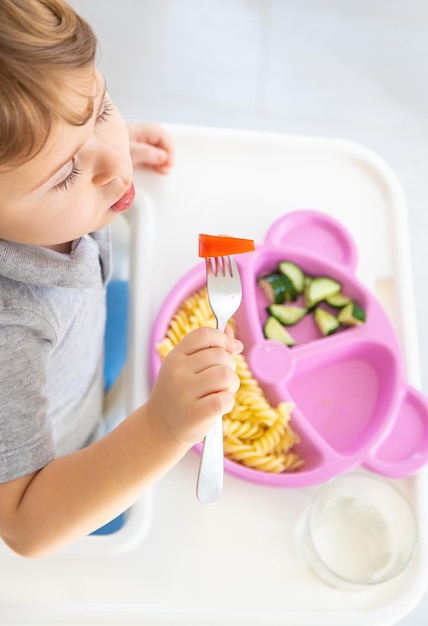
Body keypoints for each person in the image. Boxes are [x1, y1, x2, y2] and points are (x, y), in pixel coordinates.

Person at [0, 0, 242, 558]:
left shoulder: (63, 175)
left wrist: (86, 145)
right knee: (120, 529)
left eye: (100, 107)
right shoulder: (9, 332)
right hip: (56, 459)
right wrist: (161, 426)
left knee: (136, 311)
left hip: (78, 359)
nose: (114, 164)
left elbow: (65, 153)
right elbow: (25, 526)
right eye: (65, 175)